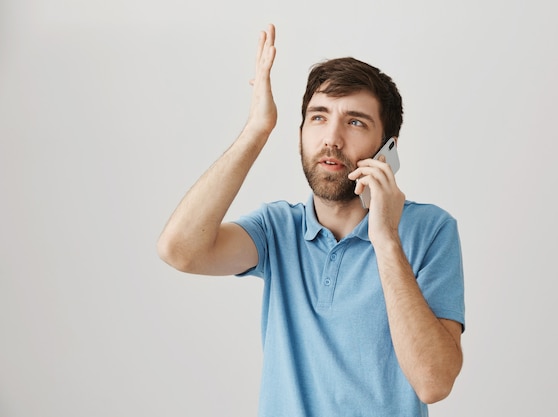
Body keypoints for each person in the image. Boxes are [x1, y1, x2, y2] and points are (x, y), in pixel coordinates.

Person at [157, 24, 465, 417]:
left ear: (388, 149)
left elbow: (433, 383)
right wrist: (257, 129)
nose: (331, 138)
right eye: (318, 118)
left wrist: (386, 239)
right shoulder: (276, 229)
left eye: (355, 122)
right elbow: (179, 250)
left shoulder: (431, 230)